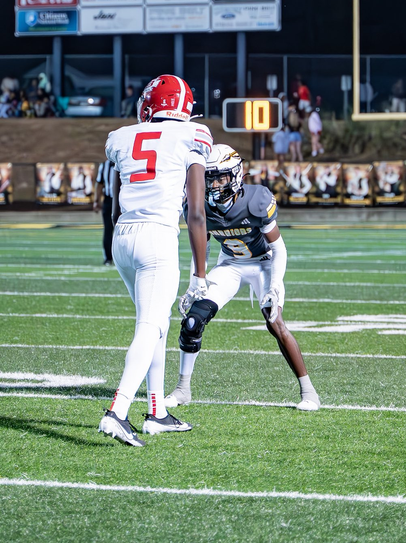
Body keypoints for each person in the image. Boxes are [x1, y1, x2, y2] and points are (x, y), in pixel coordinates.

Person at [98, 74, 213, 447]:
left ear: (149, 104)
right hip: (157, 237)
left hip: (123, 236)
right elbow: (196, 213)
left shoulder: (121, 136)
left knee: (155, 325)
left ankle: (157, 413)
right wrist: (200, 273)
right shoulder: (193, 136)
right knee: (150, 326)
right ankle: (117, 411)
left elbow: (115, 201)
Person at [164, 143, 320, 413]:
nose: (212, 184)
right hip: (231, 265)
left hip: (263, 264)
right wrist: (195, 282)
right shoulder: (198, 204)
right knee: (192, 321)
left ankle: (309, 392)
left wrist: (273, 286)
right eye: (207, 177)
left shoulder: (256, 199)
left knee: (275, 323)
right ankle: (182, 389)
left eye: (219, 177)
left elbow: (279, 248)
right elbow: (203, 245)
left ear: (235, 175)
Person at [93, 159, 116, 265]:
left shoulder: (124, 162)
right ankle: (108, 257)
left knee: (123, 229)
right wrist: (96, 201)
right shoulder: (104, 165)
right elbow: (99, 183)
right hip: (108, 200)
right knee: (108, 230)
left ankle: (121, 257)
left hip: (122, 200)